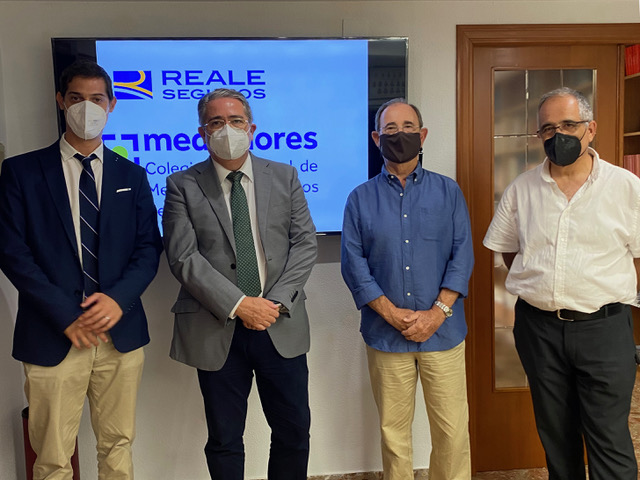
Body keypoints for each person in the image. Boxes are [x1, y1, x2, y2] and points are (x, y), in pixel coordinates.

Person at [0, 60, 163, 479]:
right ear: (61, 101)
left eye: (96, 99)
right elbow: (12, 251)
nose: (86, 108)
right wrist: (66, 314)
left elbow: (148, 248)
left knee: (118, 447)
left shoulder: (132, 175)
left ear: (111, 105)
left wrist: (117, 300)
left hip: (119, 333)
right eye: (76, 98)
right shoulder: (21, 171)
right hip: (52, 333)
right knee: (52, 457)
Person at [483, 87, 640, 480]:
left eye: (569, 124)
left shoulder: (626, 187)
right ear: (539, 135)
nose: (558, 135)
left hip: (604, 329)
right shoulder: (521, 189)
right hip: (540, 330)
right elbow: (509, 250)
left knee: (609, 439)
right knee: (556, 437)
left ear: (591, 129)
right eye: (548, 129)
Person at [162, 88, 317, 480]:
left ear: (252, 128)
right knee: (225, 439)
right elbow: (183, 257)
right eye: (216, 122)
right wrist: (239, 304)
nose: (226, 129)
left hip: (279, 322)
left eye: (235, 121)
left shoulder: (284, 176)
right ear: (202, 133)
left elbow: (304, 244)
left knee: (294, 433)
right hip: (218, 326)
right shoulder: (182, 184)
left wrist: (273, 303)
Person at [341, 98, 474, 480]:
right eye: (390, 129)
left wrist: (437, 313)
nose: (399, 135)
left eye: (408, 127)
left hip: (444, 334)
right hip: (386, 336)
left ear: (423, 134)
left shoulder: (448, 192)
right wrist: (391, 313)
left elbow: (462, 256)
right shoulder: (359, 198)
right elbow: (354, 264)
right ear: (376, 138)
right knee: (394, 435)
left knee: (452, 433)